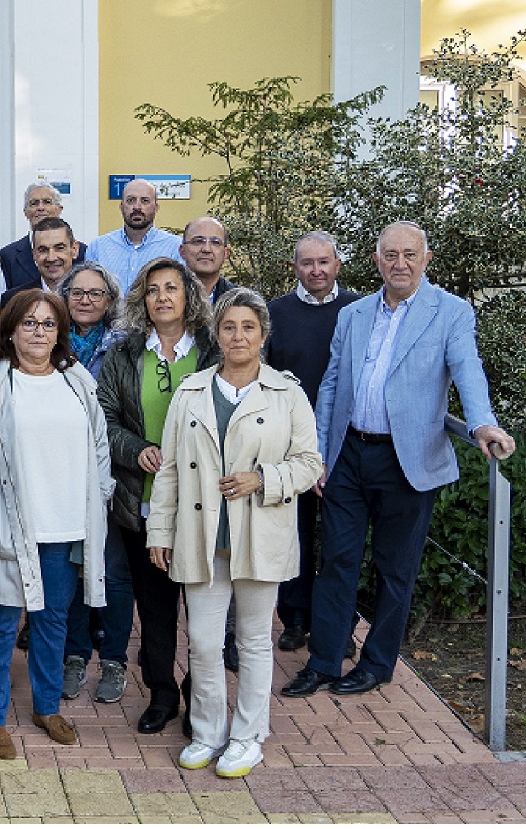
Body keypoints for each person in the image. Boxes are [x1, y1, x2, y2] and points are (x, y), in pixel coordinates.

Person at [282, 222, 512, 700]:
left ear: (425, 259)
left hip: (406, 461)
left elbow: (468, 370)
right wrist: (319, 454)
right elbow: (330, 386)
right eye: (390, 255)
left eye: (409, 255)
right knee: (337, 561)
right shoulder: (356, 313)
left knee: (394, 568)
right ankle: (323, 663)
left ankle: (377, 663)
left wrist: (482, 424)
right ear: (377, 260)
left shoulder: (450, 312)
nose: (400, 263)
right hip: (347, 456)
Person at [149, 288, 322, 780]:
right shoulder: (191, 392)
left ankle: (247, 737)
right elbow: (170, 472)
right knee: (202, 642)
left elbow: (310, 464)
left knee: (252, 641)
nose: (238, 336)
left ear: (263, 335)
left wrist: (262, 478)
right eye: (229, 327)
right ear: (216, 334)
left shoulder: (287, 393)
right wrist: (159, 530)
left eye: (248, 327)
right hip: (201, 538)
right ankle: (207, 731)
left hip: (259, 535)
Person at [0, 289, 112, 761]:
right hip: (9, 526)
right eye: (29, 323)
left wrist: (103, 494)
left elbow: (98, 443)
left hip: (65, 523)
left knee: (52, 620)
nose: (38, 332)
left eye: (48, 324)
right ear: (10, 329)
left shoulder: (76, 380)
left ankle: (46, 707)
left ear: (61, 333)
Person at [97, 256, 219, 735]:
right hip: (142, 501)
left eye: (172, 287)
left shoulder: (213, 350)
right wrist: (136, 450)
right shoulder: (125, 354)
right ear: (142, 300)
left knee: (205, 609)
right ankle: (163, 693)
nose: (163, 296)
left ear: (189, 295)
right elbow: (103, 420)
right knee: (155, 607)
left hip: (205, 502)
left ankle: (200, 696)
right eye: (153, 289)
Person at [264, 231, 360, 652]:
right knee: (294, 533)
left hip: (345, 441)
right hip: (289, 443)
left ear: (338, 265)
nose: (316, 270)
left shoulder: (359, 309)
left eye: (324, 262)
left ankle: (336, 621)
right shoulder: (275, 313)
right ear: (295, 268)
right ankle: (295, 618)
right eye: (307, 263)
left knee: (342, 539)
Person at [53, 261, 132, 704]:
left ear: (109, 301)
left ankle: (115, 660)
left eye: (95, 293)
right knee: (74, 569)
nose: (85, 300)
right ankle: (75, 655)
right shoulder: (50, 343)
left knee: (115, 571)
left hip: (112, 473)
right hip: (61, 474)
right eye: (77, 292)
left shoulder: (123, 348)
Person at [84, 179, 183, 287]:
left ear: (156, 207)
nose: (137, 207)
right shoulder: (98, 247)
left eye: (145, 201)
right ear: (121, 207)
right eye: (131, 200)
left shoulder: (175, 247)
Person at [0, 184, 66, 292]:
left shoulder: (82, 253)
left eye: (47, 202)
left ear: (59, 209)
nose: (40, 208)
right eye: (34, 203)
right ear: (25, 212)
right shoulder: (7, 256)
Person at [180, 217, 240, 302]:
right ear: (182, 251)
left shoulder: (241, 301)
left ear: (226, 253)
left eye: (215, 242)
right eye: (198, 241)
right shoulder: (166, 298)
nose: (206, 249)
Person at [27, 218, 80, 300]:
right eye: (43, 250)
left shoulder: (89, 300)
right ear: (34, 254)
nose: (51, 258)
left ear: (74, 250)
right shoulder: (16, 299)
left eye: (59, 248)